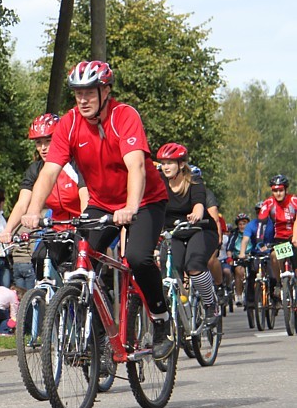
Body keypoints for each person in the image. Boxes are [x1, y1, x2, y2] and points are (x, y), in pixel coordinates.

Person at [21, 60, 173, 360]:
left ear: (106, 91)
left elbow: (136, 166)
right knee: (83, 261)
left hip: (144, 200)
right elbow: (49, 171)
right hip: (102, 203)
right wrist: (34, 211)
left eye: (90, 92)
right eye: (78, 93)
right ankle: (100, 342)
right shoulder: (69, 123)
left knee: (138, 258)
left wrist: (131, 207)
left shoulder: (124, 116)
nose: (83, 99)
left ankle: (160, 321)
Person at [0, 113, 88, 282]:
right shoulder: (35, 170)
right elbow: (22, 204)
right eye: (39, 143)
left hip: (81, 226)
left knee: (80, 273)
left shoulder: (75, 164)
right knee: (39, 259)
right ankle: (53, 301)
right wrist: (7, 230)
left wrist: (84, 221)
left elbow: (85, 196)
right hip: (57, 227)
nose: (43, 148)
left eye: (49, 141)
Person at [156, 143, 220, 327]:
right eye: (163, 163)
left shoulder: (194, 182)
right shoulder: (159, 182)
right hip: (175, 233)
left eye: (170, 162)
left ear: (182, 164)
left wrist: (197, 212)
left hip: (201, 229)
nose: (165, 167)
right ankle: (177, 317)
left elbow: (199, 203)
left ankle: (210, 304)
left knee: (194, 265)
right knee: (170, 269)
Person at [257, 174, 297, 297]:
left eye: (280, 190)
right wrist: (260, 240)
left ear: (286, 190)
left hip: (294, 236)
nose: (278, 193)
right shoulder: (269, 203)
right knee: (274, 256)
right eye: (275, 190)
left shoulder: (293, 200)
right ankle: (279, 283)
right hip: (279, 238)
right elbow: (261, 221)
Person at [238, 202, 275, 308]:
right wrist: (242, 253)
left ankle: (273, 296)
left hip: (270, 253)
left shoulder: (272, 223)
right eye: (258, 211)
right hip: (256, 254)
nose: (261, 213)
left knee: (272, 277)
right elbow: (245, 240)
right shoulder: (251, 225)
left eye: (263, 211)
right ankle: (250, 302)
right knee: (251, 276)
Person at [227, 213, 250, 306]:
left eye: (244, 223)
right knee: (239, 271)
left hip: (251, 256)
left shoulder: (252, 232)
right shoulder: (234, 234)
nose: (242, 226)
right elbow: (229, 248)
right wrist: (229, 258)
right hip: (239, 258)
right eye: (240, 224)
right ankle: (239, 295)